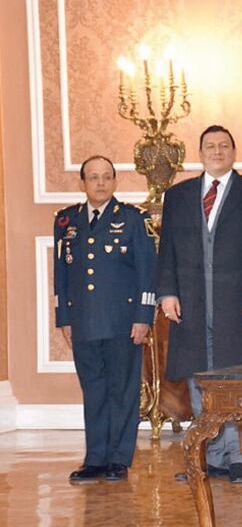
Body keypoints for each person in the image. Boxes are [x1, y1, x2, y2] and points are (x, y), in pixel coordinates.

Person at [156, 125, 242, 484]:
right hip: (192, 305)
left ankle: (236, 456)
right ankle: (207, 456)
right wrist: (167, 293)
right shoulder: (177, 196)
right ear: (200, 152)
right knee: (199, 377)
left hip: (237, 305)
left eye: (224, 145)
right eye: (210, 146)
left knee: (233, 378)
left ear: (234, 152)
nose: (217, 151)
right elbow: (167, 253)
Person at [54, 155, 156, 484]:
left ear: (115, 182)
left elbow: (147, 273)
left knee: (122, 391)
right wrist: (64, 317)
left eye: (106, 177)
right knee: (94, 391)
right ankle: (95, 458)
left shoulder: (131, 219)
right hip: (83, 322)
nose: (100, 183)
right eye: (93, 177)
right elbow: (61, 275)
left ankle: (118, 459)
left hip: (123, 322)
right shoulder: (66, 222)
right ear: (82, 183)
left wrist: (144, 316)